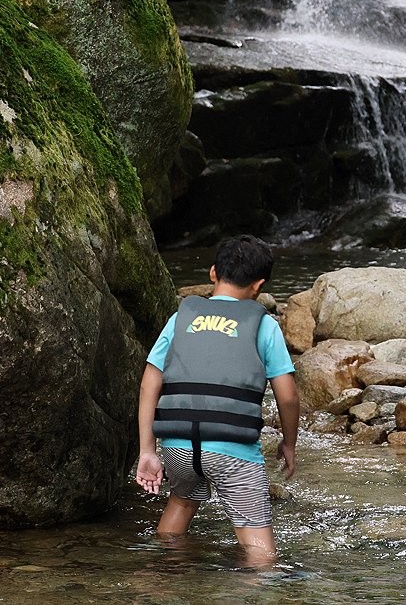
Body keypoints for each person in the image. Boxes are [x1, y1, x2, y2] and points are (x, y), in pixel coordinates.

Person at [136, 235, 299, 566]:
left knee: (181, 501)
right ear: (259, 285)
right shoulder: (264, 326)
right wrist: (290, 443)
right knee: (260, 551)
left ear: (212, 273)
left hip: (178, 448)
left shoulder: (180, 318)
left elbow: (149, 383)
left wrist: (146, 450)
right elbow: (288, 395)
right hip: (232, 450)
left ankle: (158, 578)